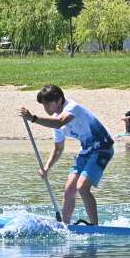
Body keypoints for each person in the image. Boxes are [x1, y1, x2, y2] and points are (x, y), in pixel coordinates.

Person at [19, 85, 114, 225]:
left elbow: (59, 123)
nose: (46, 109)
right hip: (86, 150)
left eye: (47, 104)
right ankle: (65, 225)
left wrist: (33, 118)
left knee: (82, 187)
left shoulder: (72, 107)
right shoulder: (56, 121)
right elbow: (58, 148)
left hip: (103, 148)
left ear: (58, 100)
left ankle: (95, 225)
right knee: (69, 189)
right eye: (43, 105)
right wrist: (46, 167)